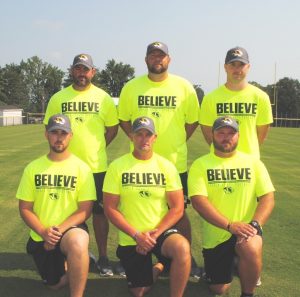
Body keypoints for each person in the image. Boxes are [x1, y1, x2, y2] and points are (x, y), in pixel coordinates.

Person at [118, 41, 201, 277]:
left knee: (179, 212)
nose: (157, 59)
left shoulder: (184, 87)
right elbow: (124, 120)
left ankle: (186, 257)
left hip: (174, 163)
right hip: (140, 163)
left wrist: (175, 142)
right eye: (153, 55)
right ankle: (138, 253)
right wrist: (142, 143)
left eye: (161, 56)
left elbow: (192, 121)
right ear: (146, 60)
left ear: (169, 59)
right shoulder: (131, 87)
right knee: (138, 208)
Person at [43, 54, 121, 277]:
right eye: (78, 69)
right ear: (72, 71)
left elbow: (112, 128)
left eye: (86, 69)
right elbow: (49, 130)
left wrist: (97, 148)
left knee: (99, 212)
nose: (82, 73)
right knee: (66, 210)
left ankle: (104, 256)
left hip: (96, 167)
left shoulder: (103, 98)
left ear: (93, 72)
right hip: (65, 167)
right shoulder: (58, 98)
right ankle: (68, 253)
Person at [103, 116, 191, 297]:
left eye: (148, 135)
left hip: (160, 232)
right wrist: (137, 235)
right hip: (132, 236)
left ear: (155, 137)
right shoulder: (117, 167)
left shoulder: (166, 166)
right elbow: (110, 208)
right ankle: (159, 266)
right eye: (139, 135)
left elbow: (177, 208)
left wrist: (155, 234)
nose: (144, 139)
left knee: (182, 248)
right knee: (139, 291)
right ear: (131, 137)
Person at [188, 116, 275, 297]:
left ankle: (247, 292)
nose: (226, 137)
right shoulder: (201, 165)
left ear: (238, 136)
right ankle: (237, 263)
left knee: (250, 246)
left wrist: (255, 225)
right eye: (221, 133)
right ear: (212, 135)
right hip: (217, 236)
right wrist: (229, 225)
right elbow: (198, 201)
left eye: (231, 133)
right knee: (218, 289)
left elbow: (268, 197)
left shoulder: (253, 163)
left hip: (246, 231)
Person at [17, 114, 96, 297]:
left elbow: (85, 209)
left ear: (71, 136)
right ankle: (81, 262)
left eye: (63, 133)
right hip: (41, 233)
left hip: (69, 229)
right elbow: (25, 208)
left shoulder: (81, 168)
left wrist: (58, 231)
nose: (59, 137)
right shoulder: (33, 168)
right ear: (46, 135)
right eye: (54, 133)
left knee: (77, 242)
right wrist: (44, 232)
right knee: (55, 285)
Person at [199, 46, 273, 159]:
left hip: (250, 163)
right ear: (225, 67)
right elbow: (208, 131)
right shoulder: (210, 98)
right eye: (232, 64)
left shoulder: (261, 97)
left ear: (248, 67)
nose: (237, 69)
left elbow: (261, 135)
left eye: (241, 65)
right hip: (219, 163)